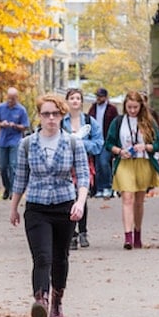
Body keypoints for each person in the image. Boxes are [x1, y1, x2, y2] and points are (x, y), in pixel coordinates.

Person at [9, 93, 90, 317]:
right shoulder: (27, 144)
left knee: (60, 257)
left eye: (55, 114)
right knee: (42, 256)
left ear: (62, 116)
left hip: (65, 205)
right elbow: (20, 177)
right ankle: (40, 302)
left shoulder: (73, 142)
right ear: (40, 116)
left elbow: (84, 176)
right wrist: (14, 207)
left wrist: (80, 202)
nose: (51, 119)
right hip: (37, 207)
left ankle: (56, 303)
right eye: (46, 114)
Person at [106, 90, 159, 249]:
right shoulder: (118, 122)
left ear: (141, 106)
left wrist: (145, 146)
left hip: (143, 162)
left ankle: (138, 233)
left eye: (135, 107)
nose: (132, 110)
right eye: (129, 107)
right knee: (127, 198)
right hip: (125, 163)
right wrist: (119, 151)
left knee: (138, 201)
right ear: (125, 106)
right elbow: (108, 144)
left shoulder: (149, 122)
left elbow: (158, 145)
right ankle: (128, 237)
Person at [62, 88, 102, 249]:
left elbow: (98, 144)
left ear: (81, 101)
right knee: (68, 197)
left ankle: (83, 231)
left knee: (81, 196)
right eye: (72, 98)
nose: (75, 101)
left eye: (78, 98)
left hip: (84, 163)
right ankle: (71, 234)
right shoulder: (61, 121)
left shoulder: (89, 122)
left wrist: (79, 142)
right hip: (65, 163)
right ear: (67, 101)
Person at [0, 88, 30, 199]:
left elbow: (25, 126)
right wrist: (1, 124)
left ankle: (14, 191)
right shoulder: (0, 107)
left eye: (12, 99)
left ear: (16, 98)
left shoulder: (21, 110)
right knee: (3, 167)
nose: (10, 101)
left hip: (15, 140)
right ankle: (7, 187)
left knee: (14, 165)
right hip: (3, 141)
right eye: (8, 98)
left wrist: (15, 126)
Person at [87, 87, 119, 198]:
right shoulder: (93, 108)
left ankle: (108, 186)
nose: (98, 98)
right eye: (97, 96)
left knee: (104, 162)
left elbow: (115, 124)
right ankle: (99, 188)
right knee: (97, 165)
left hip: (107, 140)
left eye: (100, 96)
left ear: (105, 97)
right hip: (95, 140)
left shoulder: (111, 109)